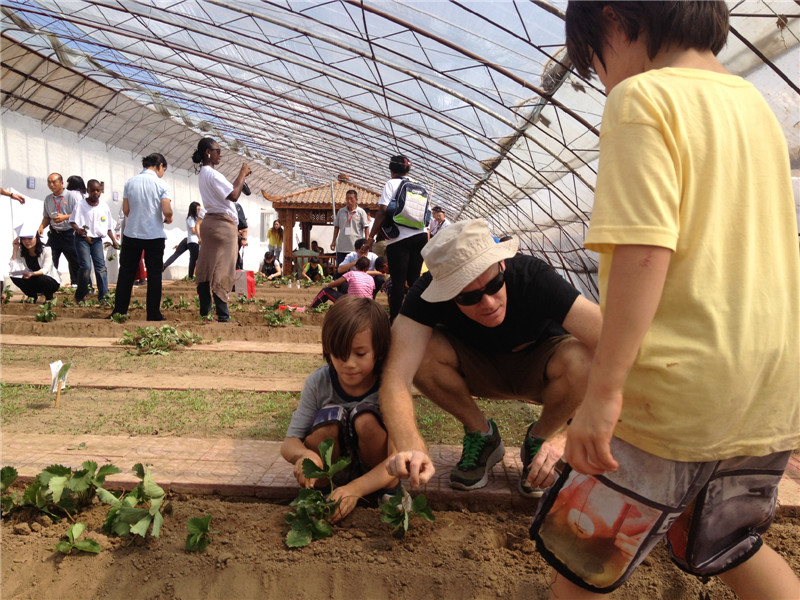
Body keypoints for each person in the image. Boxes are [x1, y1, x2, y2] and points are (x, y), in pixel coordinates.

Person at [529, 3, 800, 599]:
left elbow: (643, 251)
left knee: (582, 556)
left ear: (616, 21)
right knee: (729, 546)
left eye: (593, 61)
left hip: (673, 394)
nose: (601, 79)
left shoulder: (642, 99)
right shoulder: (754, 106)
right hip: (764, 392)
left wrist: (601, 394)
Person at [382, 219, 601, 496]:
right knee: (418, 351)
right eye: (468, 298)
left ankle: (541, 438)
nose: (488, 303)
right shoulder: (425, 294)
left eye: (494, 283)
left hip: (542, 370)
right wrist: (410, 442)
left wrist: (571, 436)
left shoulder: (534, 276)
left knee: (584, 357)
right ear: (446, 293)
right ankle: (482, 435)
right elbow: (395, 375)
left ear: (502, 264)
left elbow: (618, 348)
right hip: (476, 369)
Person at [280, 296, 397, 522]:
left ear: (380, 351)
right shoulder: (318, 383)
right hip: (332, 474)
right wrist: (305, 456)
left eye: (360, 354)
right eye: (338, 354)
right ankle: (322, 493)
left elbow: (396, 456)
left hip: (377, 474)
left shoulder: (389, 386)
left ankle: (388, 495)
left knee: (366, 419)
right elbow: (289, 442)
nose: (349, 364)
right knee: (329, 420)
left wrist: (355, 489)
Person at [192, 137, 250, 322]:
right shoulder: (213, 174)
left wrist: (240, 180)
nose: (220, 154)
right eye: (217, 151)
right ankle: (223, 315)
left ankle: (205, 312)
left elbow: (228, 191)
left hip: (210, 224)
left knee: (206, 266)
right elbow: (233, 195)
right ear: (208, 152)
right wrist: (242, 173)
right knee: (224, 268)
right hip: (223, 226)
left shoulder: (203, 174)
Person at [366, 155, 429, 321]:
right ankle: (417, 316)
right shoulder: (420, 185)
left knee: (398, 280)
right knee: (414, 280)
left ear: (391, 170)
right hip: (420, 236)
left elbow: (382, 210)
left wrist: (371, 237)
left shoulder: (391, 183)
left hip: (399, 238)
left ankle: (395, 319)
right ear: (408, 169)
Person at [111, 153, 173, 321]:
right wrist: (168, 217)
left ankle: (119, 311)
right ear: (160, 166)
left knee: (126, 274)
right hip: (154, 235)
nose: (163, 173)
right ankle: (153, 313)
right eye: (163, 170)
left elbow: (126, 210)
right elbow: (167, 210)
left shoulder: (130, 182)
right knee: (154, 276)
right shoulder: (161, 184)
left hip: (132, 234)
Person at [69, 179, 118, 303]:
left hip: (96, 240)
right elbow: (72, 221)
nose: (95, 193)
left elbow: (108, 227)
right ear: (88, 191)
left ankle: (103, 297)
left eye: (98, 190)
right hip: (83, 239)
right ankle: (80, 295)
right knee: (85, 267)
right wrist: (79, 230)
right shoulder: (81, 204)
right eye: (93, 190)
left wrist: (114, 240)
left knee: (101, 268)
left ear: (101, 191)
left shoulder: (104, 206)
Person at [37, 173, 81, 287]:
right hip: (54, 234)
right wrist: (41, 227)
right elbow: (47, 217)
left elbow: (80, 214)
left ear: (61, 183)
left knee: (75, 259)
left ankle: (78, 284)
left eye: (54, 182)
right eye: (49, 182)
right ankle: (50, 284)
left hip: (69, 233)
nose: (51, 185)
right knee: (50, 259)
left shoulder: (72, 196)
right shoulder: (48, 199)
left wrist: (65, 217)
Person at [8, 223, 60, 302]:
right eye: (23, 239)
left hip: (49, 281)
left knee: (42, 278)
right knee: (14, 276)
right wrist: (15, 249)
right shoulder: (21, 251)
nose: (27, 242)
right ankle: (32, 296)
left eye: (30, 238)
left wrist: (32, 274)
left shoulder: (46, 250)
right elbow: (13, 268)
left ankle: (49, 297)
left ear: (36, 238)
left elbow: (46, 269)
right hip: (33, 280)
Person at [310, 257, 375, 309]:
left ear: (356, 266)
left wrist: (329, 284)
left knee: (325, 291)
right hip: (367, 305)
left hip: (352, 304)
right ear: (368, 268)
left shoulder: (351, 274)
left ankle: (311, 307)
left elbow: (333, 284)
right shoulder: (371, 278)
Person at [162, 202, 204, 278]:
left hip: (189, 240)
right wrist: (200, 228)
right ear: (193, 210)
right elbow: (193, 230)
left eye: (200, 209)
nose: (199, 211)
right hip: (193, 241)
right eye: (198, 209)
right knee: (193, 259)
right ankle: (191, 276)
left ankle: (165, 265)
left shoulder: (199, 219)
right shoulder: (191, 218)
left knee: (189, 257)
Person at [331, 189, 369, 266]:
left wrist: (366, 242)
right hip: (342, 247)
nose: (349, 201)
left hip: (356, 248)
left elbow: (366, 227)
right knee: (341, 268)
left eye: (351, 198)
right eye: (347, 198)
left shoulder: (361, 212)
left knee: (355, 269)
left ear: (356, 200)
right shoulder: (341, 211)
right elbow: (336, 227)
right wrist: (333, 241)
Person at [235, 202, 248, 270]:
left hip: (235, 238)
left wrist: (244, 239)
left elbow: (244, 225)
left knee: (234, 256)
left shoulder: (236, 206)